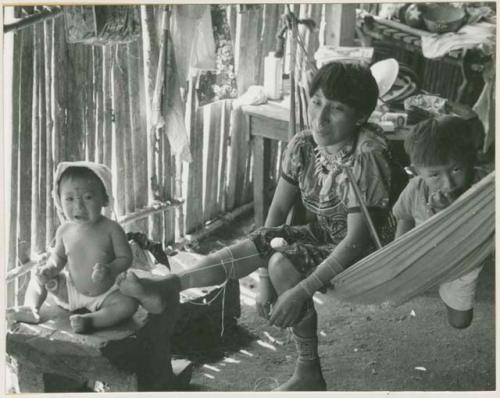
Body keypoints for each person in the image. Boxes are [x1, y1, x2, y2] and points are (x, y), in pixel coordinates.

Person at [117, 61, 401, 390]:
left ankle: (308, 372)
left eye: (336, 109)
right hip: (326, 234)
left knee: (285, 262)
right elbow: (277, 212)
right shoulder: (304, 146)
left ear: (360, 116)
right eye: (317, 102)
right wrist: (263, 280)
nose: (320, 118)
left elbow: (354, 242)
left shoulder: (367, 157)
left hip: (367, 250)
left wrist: (299, 291)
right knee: (265, 241)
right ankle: (170, 286)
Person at [7, 162, 138, 334]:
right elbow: (58, 258)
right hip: (69, 291)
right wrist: (50, 269)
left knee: (128, 304)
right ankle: (31, 308)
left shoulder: (112, 229)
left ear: (104, 198)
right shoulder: (64, 230)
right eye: (69, 199)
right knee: (38, 277)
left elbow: (125, 258)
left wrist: (110, 269)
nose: (78, 207)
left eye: (88, 197)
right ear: (59, 200)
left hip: (106, 293)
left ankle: (92, 321)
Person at [393, 115, 488, 329]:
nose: (448, 183)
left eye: (456, 169)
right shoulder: (415, 189)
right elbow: (405, 216)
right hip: (424, 254)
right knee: (399, 292)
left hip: (465, 260)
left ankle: (446, 290)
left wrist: (452, 211)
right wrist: (397, 257)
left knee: (460, 322)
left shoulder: (483, 189)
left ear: (470, 161)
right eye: (434, 174)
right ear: (417, 171)